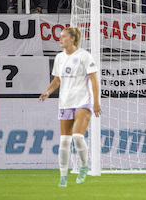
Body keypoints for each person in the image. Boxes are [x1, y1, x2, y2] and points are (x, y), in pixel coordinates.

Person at [39, 26, 100, 187]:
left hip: (83, 102)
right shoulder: (59, 58)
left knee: (78, 137)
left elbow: (94, 80)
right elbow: (57, 80)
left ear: (72, 38)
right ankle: (63, 176)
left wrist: (96, 102)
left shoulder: (84, 56)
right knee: (65, 141)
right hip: (65, 103)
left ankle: (84, 166)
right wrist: (48, 92)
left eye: (63, 36)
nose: (60, 39)